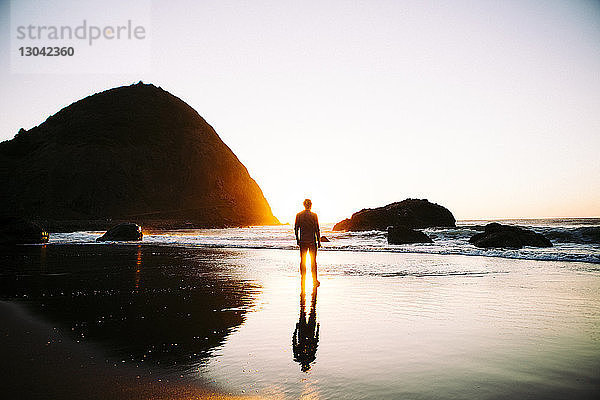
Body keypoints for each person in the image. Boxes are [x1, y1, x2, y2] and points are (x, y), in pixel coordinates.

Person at [294, 199, 321, 287]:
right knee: (313, 261)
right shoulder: (314, 215)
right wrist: (319, 241)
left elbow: (296, 228)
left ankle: (303, 278)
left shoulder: (299, 215)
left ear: (304, 205)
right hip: (312, 241)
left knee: (303, 260)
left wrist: (297, 240)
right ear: (311, 205)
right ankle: (314, 280)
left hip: (303, 241)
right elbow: (317, 229)